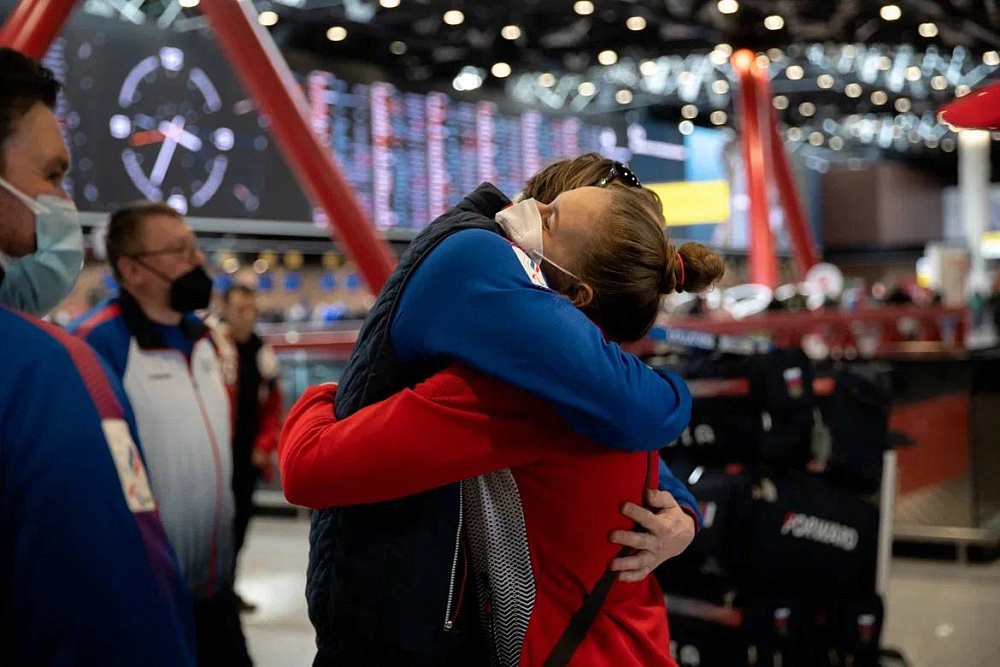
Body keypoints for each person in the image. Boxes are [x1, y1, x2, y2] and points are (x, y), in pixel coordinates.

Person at [280, 179, 723, 663]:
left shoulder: (523, 390)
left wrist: (330, 393)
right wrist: (686, 507)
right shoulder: (605, 386)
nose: (525, 210)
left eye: (550, 217)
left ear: (574, 295)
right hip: (635, 642)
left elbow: (309, 466)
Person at [0, 48, 194, 665]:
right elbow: (118, 625)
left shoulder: (209, 345)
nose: (63, 201)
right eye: (52, 176)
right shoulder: (51, 371)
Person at [70, 201, 251, 666]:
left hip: (216, 592)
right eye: (178, 251)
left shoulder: (206, 340)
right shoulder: (95, 345)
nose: (197, 261)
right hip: (141, 602)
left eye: (194, 247)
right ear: (133, 270)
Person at [218, 283, 283, 613]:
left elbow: (273, 405)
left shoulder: (262, 353)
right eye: (239, 309)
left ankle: (227, 587)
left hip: (247, 456)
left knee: (240, 524)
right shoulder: (212, 347)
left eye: (250, 310)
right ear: (225, 309)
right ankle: (211, 591)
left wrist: (265, 445)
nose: (246, 316)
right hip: (217, 455)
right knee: (212, 524)